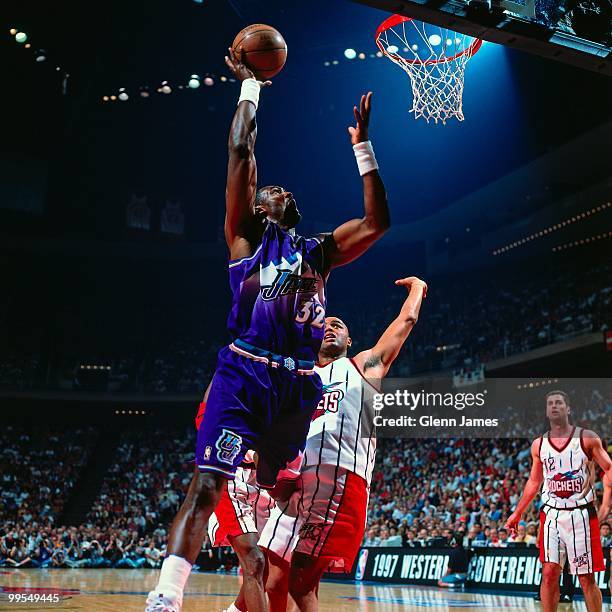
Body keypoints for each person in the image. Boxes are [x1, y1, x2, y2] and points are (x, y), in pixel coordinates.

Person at [145, 46, 390, 612]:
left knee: (282, 492)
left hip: (298, 386)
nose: (281, 189)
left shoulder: (317, 254)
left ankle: (263, 592)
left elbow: (378, 222)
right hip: (246, 370)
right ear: (256, 206)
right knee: (207, 485)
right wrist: (250, 87)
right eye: (268, 189)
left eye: (285, 191)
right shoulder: (244, 242)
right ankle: (167, 597)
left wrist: (363, 147)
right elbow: (240, 147)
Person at [260, 276, 428, 611]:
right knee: (271, 575)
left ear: (350, 340)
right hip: (294, 482)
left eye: (339, 325)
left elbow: (406, 321)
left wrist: (417, 290)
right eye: (325, 324)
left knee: (301, 580)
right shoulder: (299, 378)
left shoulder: (363, 366)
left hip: (337, 478)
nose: (330, 328)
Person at [505, 390, 612, 612]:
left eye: (559, 403)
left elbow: (609, 469)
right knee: (549, 572)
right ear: (546, 411)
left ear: (568, 409)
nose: (554, 406)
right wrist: (517, 512)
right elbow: (534, 482)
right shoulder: (539, 444)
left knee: (585, 577)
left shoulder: (587, 437)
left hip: (580, 514)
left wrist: (606, 505)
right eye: (550, 403)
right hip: (551, 513)